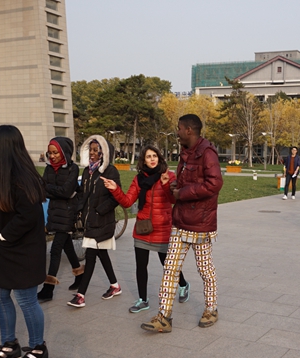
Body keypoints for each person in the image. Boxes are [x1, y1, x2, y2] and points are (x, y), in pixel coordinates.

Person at [141, 114, 223, 333]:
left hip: (201, 224)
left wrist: (183, 192)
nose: (176, 132)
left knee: (205, 269)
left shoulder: (207, 153)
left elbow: (215, 184)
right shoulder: (185, 154)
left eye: (178, 128)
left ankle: (211, 309)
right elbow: (186, 182)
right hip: (180, 222)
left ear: (189, 130)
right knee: (170, 268)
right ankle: (164, 316)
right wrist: (174, 185)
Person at [0, 125, 50, 358]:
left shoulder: (23, 177)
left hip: (23, 250)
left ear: (1, 147)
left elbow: (29, 216)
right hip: (5, 250)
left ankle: (38, 349)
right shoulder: (3, 173)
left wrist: (3, 236)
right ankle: (9, 345)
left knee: (26, 299)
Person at [102, 145, 190, 313]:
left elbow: (174, 200)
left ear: (159, 158)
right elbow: (128, 202)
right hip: (143, 228)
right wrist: (115, 190)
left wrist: (166, 184)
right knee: (141, 266)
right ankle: (143, 300)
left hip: (162, 229)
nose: (152, 159)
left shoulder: (168, 175)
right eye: (148, 156)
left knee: (168, 265)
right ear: (143, 160)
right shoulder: (139, 179)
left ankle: (183, 285)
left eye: (154, 156)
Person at [67, 136, 122, 308]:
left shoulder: (110, 171)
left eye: (96, 150)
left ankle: (80, 295)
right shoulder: (87, 172)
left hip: (102, 221)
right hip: (90, 221)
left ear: (103, 152)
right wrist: (79, 210)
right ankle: (115, 286)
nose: (92, 153)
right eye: (90, 149)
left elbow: (116, 197)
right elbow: (84, 195)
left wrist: (99, 210)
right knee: (102, 254)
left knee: (90, 256)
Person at [36, 137, 84, 302]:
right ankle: (80, 274)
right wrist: (58, 191)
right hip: (55, 211)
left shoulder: (73, 168)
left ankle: (48, 289)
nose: (52, 156)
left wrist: (51, 189)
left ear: (64, 152)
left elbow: (65, 191)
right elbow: (43, 190)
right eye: (50, 153)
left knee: (55, 249)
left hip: (69, 212)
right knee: (67, 245)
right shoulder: (49, 168)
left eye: (55, 152)